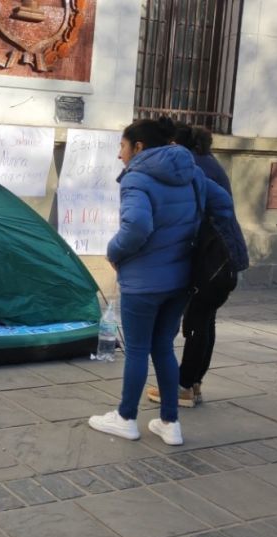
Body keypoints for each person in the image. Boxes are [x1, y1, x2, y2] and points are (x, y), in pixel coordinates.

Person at [88, 117, 236, 446]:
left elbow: (137, 226)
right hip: (180, 279)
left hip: (143, 281)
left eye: (122, 147)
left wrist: (114, 250)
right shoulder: (192, 171)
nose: (119, 155)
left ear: (138, 147)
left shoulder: (137, 179)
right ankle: (170, 422)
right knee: (164, 348)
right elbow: (224, 203)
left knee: (138, 350)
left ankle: (126, 418)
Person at [146, 124, 249, 407]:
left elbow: (196, 211)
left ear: (175, 144)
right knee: (204, 320)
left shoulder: (192, 167)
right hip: (223, 256)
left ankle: (184, 386)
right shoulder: (205, 161)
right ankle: (194, 383)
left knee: (196, 322)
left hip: (214, 258)